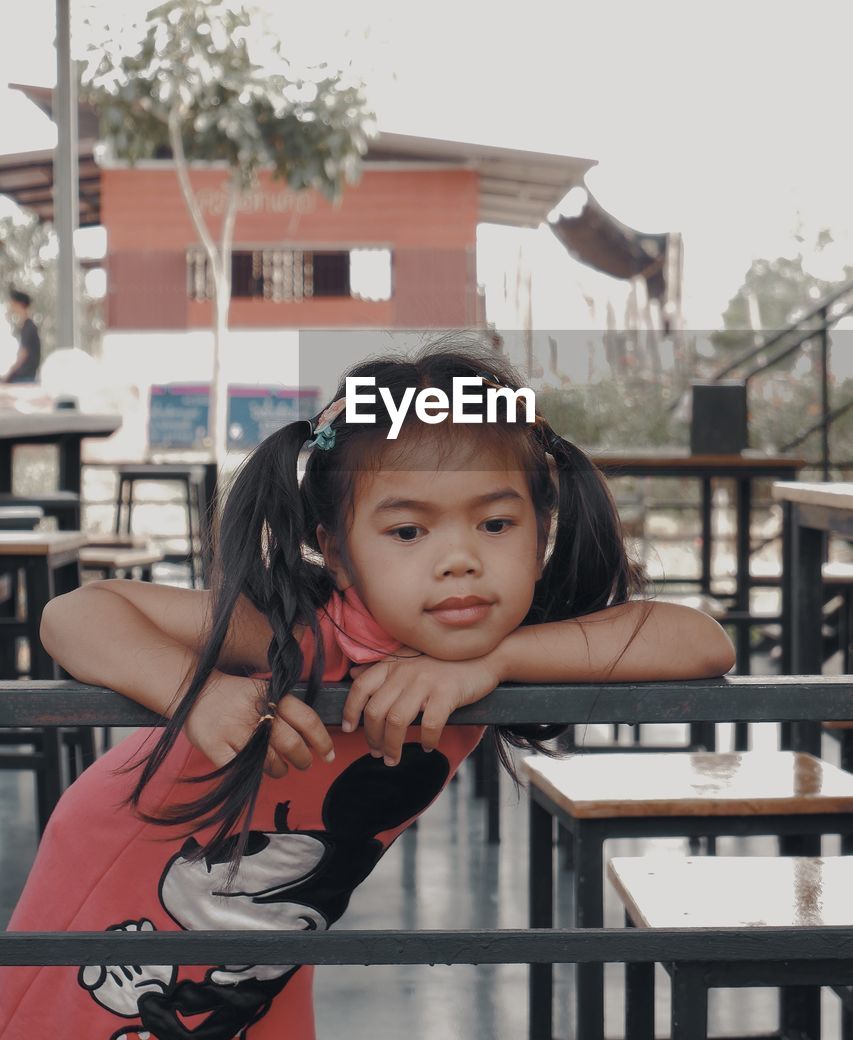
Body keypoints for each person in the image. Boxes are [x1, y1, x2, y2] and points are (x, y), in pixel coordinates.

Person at [0, 342, 735, 1040]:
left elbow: (701, 641)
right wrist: (197, 695)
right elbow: (74, 613)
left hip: (265, 943)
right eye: (409, 531)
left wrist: (492, 662)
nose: (459, 559)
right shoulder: (305, 632)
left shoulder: (495, 641)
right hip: (114, 902)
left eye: (496, 522)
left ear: (540, 532)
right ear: (339, 553)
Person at [2, 289, 41, 383]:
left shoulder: (29, 327)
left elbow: (23, 355)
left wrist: (9, 374)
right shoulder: (27, 326)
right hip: (24, 377)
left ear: (20, 304)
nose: (11, 305)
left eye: (13, 302)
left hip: (24, 378)